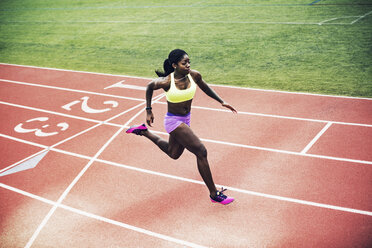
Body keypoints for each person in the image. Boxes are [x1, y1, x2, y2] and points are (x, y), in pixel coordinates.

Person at [126, 49, 237, 205]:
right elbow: (149, 86)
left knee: (173, 153)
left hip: (186, 119)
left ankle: (144, 132)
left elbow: (204, 87)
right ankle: (214, 193)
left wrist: (221, 101)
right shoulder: (166, 82)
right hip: (173, 121)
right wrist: (149, 110)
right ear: (174, 65)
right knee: (201, 151)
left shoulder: (194, 75)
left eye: (189, 62)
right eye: (184, 63)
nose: (188, 65)